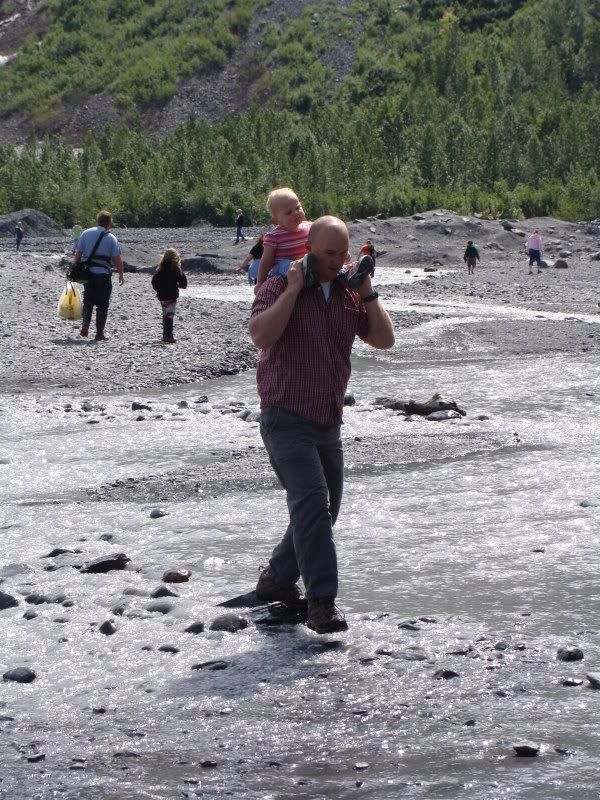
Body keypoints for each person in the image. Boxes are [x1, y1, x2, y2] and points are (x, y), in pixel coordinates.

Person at [249, 216, 395, 634]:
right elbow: (260, 335)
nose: (335, 261)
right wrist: (295, 290)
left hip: (328, 421)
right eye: (327, 253)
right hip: (285, 417)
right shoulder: (279, 286)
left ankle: (276, 579)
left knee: (324, 511)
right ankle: (322, 603)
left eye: (342, 253)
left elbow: (384, 339)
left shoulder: (351, 297)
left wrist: (366, 290)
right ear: (309, 249)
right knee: (312, 502)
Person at [73, 210, 124, 341]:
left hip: (88, 275)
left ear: (97, 221)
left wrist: (74, 271)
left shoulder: (85, 233)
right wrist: (121, 275)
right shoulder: (111, 238)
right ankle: (99, 334)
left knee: (88, 301)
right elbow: (117, 259)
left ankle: (85, 327)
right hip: (103, 275)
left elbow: (77, 256)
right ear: (109, 223)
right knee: (103, 305)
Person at [255, 188, 312, 289]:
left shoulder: (311, 227)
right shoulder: (274, 236)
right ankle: (304, 269)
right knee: (284, 263)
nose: (295, 213)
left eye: (298, 208)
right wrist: (260, 281)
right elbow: (266, 260)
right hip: (281, 273)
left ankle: (343, 272)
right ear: (276, 220)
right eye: (289, 212)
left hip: (306, 266)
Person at [151, 248, 187, 343]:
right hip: (172, 295)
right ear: (176, 258)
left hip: (162, 296)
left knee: (165, 314)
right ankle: (169, 336)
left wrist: (158, 289)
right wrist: (178, 285)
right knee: (169, 315)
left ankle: (165, 335)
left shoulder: (160, 269)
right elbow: (184, 283)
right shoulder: (176, 269)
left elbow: (154, 282)